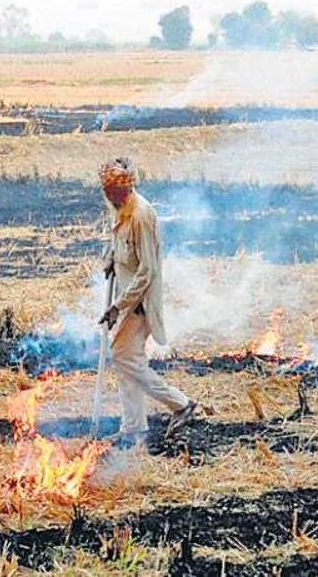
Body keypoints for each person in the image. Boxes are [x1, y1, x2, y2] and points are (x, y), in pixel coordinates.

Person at [97, 157, 197, 447]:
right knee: (128, 361)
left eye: (112, 191)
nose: (107, 195)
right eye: (105, 190)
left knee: (123, 358)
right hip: (127, 297)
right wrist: (111, 258)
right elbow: (119, 243)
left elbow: (147, 271)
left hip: (138, 303)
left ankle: (180, 403)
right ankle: (133, 428)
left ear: (125, 188)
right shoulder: (119, 208)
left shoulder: (141, 215)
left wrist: (118, 306)